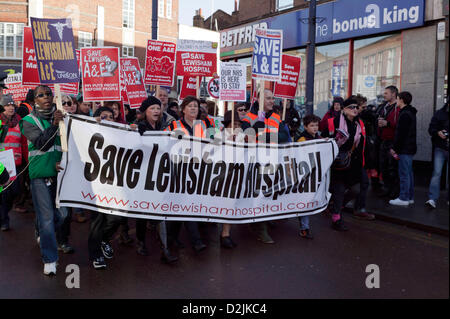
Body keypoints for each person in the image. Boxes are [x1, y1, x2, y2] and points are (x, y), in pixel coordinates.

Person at [19, 85, 68, 275]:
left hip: (61, 175)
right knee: (47, 219)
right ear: (34, 101)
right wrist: (55, 125)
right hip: (40, 176)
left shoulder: (63, 117)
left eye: (49, 94)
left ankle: (41, 231)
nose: (46, 98)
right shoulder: (27, 121)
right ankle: (50, 259)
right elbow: (42, 144)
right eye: (41, 95)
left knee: (62, 215)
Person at [241, 89, 290, 243]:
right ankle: (261, 229)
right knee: (259, 193)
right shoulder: (249, 118)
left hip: (273, 160)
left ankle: (261, 219)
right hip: (255, 162)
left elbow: (285, 137)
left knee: (270, 192)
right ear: (259, 99)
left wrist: (264, 135)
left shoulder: (277, 117)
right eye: (268, 98)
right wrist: (261, 131)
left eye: (272, 98)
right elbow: (246, 136)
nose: (272, 101)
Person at [133, 96, 178, 263]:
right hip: (143, 174)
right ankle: (141, 242)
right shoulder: (139, 127)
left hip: (158, 173)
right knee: (142, 212)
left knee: (160, 211)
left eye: (158, 108)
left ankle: (164, 248)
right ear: (145, 111)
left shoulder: (162, 126)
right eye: (152, 108)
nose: (156, 111)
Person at [165, 96, 208, 252]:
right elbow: (162, 141)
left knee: (181, 206)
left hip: (197, 171)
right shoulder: (174, 125)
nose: (193, 109)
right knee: (186, 205)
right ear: (183, 109)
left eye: (195, 106)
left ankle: (171, 238)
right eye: (190, 106)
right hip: (179, 170)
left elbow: (214, 142)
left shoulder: (202, 125)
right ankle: (196, 241)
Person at [87, 106, 124, 269]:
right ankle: (96, 255)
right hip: (95, 184)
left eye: (111, 117)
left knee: (117, 218)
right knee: (97, 221)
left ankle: (104, 239)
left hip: (115, 184)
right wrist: (90, 124)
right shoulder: (89, 132)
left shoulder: (122, 135)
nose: (108, 119)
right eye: (103, 116)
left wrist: (133, 131)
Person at [322, 98, 366, 231]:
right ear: (344, 109)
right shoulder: (334, 122)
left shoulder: (359, 124)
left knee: (357, 189)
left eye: (356, 107)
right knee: (339, 190)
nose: (355, 109)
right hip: (338, 162)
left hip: (354, 163)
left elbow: (362, 144)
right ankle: (336, 218)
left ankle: (337, 205)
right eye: (351, 107)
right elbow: (324, 138)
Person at [0, 95, 28, 230]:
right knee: (4, 193)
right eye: (7, 105)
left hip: (16, 164)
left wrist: (27, 160)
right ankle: (4, 220)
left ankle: (4, 214)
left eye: (12, 105)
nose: (11, 107)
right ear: (3, 107)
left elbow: (24, 143)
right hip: (2, 165)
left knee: (16, 191)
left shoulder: (20, 121)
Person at [296, 114, 323, 239]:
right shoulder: (302, 139)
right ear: (305, 127)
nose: (315, 128)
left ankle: (304, 226)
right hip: (304, 174)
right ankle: (304, 227)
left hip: (314, 174)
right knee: (304, 200)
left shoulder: (318, 137)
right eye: (312, 125)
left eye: (316, 125)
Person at [389, 92, 417, 206]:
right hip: (409, 148)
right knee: (408, 173)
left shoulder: (405, 114)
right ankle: (409, 197)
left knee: (404, 174)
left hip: (404, 149)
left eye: (398, 99)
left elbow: (401, 134)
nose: (396, 101)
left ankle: (404, 198)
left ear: (401, 100)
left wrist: (395, 148)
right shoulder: (410, 112)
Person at [218, 110, 241, 249]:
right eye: (234, 124)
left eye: (238, 124)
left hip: (236, 175)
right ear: (227, 125)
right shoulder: (218, 136)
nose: (236, 126)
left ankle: (225, 234)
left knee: (231, 204)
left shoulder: (243, 136)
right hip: (221, 175)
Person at [376, 86, 400, 199]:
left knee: (392, 167)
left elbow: (401, 125)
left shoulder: (398, 107)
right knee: (383, 166)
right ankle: (386, 189)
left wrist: (388, 124)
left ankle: (394, 192)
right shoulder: (383, 106)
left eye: (386, 93)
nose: (384, 95)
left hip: (393, 141)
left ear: (394, 94)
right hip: (383, 140)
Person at [426, 101, 449, 209]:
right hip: (440, 147)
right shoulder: (439, 113)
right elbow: (431, 129)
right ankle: (432, 199)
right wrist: (437, 132)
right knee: (436, 173)